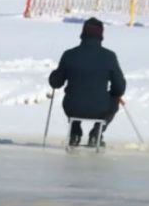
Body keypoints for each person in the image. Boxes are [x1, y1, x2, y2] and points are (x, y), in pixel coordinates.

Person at [49, 17, 126, 147]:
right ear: (101, 35)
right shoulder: (109, 56)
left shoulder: (69, 54)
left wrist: (53, 75)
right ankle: (97, 132)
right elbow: (119, 87)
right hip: (101, 108)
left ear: (83, 33)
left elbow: (56, 83)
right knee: (114, 101)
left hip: (72, 107)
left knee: (74, 101)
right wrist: (113, 95)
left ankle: (75, 131)